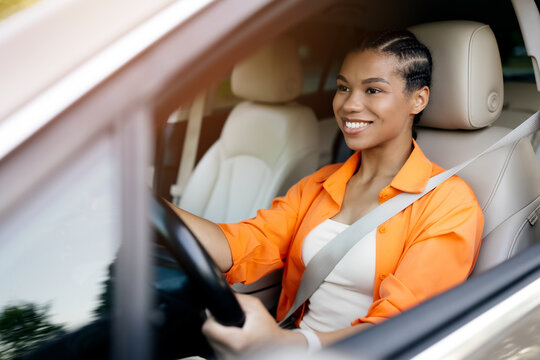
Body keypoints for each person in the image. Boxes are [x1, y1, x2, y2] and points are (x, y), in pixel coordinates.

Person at [170, 30, 484, 355]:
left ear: (418, 99)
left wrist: (285, 343)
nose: (349, 104)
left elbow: (401, 327)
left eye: (373, 89)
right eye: (343, 87)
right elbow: (241, 246)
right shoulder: (321, 184)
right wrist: (145, 207)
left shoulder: (450, 204)